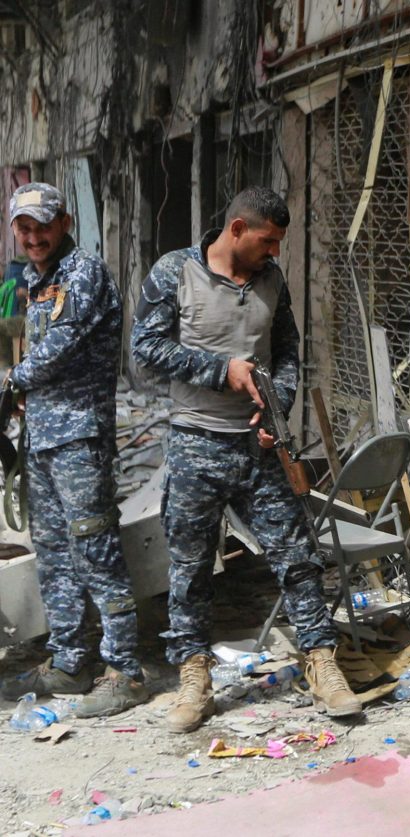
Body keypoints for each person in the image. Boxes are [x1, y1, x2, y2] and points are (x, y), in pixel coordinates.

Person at [130, 185, 362, 733]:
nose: (275, 252)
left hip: (259, 448)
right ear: (236, 229)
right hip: (195, 444)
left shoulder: (271, 281)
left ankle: (323, 664)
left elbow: (286, 353)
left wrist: (276, 406)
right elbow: (144, 350)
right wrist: (222, 370)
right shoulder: (175, 273)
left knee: (298, 558)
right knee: (189, 569)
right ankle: (194, 678)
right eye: (267, 241)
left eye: (280, 243)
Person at [0, 182, 149, 717]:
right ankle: (70, 660)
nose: (33, 236)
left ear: (64, 221)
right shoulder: (35, 280)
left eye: (42, 224)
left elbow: (57, 349)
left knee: (95, 550)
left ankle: (126, 669)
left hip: (80, 437)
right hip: (43, 437)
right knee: (55, 552)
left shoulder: (82, 273)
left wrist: (12, 381)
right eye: (24, 226)